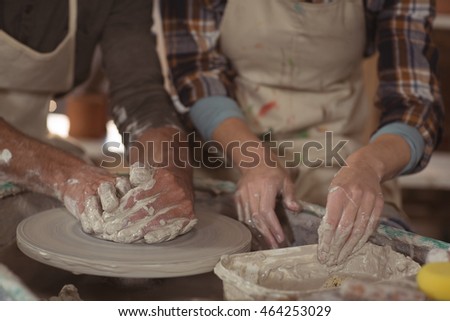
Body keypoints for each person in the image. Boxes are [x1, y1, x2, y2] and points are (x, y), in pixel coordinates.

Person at [160, 0, 444, 265]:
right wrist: (254, 162)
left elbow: (414, 105)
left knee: (374, 264)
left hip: (339, 155)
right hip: (229, 150)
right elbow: (195, 74)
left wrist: (369, 165)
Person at [0, 0, 195, 245]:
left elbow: (140, 95)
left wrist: (169, 173)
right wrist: (68, 174)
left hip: (36, 150)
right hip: (31, 159)